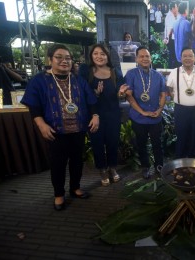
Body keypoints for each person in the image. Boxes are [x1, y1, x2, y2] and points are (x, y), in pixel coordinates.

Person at [20, 44, 99, 211]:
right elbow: (34, 106)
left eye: (68, 58)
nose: (65, 61)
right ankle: (59, 195)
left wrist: (95, 116)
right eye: (59, 57)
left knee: (77, 161)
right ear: (50, 60)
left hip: (78, 129)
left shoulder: (78, 80)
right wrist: (41, 124)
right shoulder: (39, 80)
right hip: (56, 131)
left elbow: (91, 100)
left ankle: (75, 188)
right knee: (58, 164)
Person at [78, 44, 125, 187]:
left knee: (112, 142)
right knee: (97, 144)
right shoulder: (86, 71)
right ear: (91, 56)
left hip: (113, 114)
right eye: (96, 53)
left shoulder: (115, 71)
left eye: (103, 54)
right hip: (94, 114)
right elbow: (81, 93)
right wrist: (95, 94)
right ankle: (102, 170)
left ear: (108, 56)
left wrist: (121, 93)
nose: (99, 56)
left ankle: (112, 167)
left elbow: (119, 91)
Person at [120, 46, 167, 179]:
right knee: (141, 143)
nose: (145, 59)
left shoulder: (158, 75)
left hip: (155, 117)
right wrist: (142, 112)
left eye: (147, 56)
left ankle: (159, 166)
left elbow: (163, 95)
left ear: (150, 58)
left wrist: (159, 110)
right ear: (136, 59)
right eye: (141, 56)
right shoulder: (131, 74)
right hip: (138, 117)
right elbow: (129, 96)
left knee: (157, 143)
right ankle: (145, 166)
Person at [166, 47, 195, 158]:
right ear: (180, 58)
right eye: (185, 56)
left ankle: (192, 160)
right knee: (181, 135)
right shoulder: (174, 72)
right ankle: (180, 160)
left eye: (190, 56)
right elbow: (169, 89)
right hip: (180, 110)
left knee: (194, 135)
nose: (187, 58)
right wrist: (179, 99)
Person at [163, 2, 178, 68]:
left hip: (170, 38)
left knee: (172, 57)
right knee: (172, 57)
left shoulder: (170, 15)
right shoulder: (170, 16)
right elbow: (170, 29)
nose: (177, 9)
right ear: (173, 8)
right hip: (171, 39)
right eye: (176, 7)